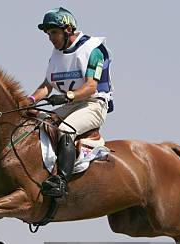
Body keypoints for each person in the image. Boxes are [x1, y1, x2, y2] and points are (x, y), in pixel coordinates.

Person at [25, 7, 114, 202]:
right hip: (71, 104)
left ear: (68, 30)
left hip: (94, 104)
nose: (50, 38)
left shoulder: (93, 50)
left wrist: (67, 97)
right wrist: (29, 100)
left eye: (54, 32)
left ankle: (61, 182)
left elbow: (91, 87)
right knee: (39, 123)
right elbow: (47, 86)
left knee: (65, 130)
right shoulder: (56, 54)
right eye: (48, 34)